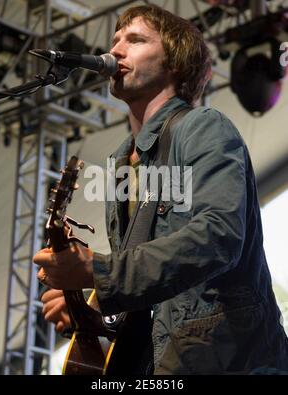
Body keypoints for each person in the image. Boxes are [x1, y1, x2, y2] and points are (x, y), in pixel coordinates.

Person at [33, 4, 288, 375]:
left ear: (176, 63)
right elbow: (151, 303)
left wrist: (99, 272)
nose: (115, 50)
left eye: (135, 40)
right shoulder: (121, 162)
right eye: (115, 39)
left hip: (232, 362)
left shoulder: (203, 127)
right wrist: (92, 317)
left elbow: (220, 236)